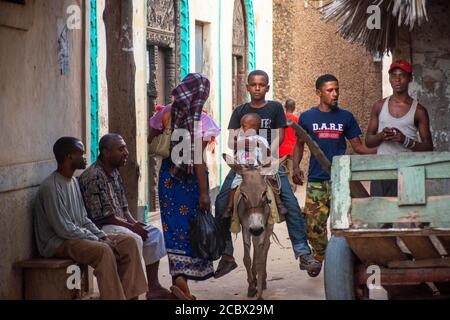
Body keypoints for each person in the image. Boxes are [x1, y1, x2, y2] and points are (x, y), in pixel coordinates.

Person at [214, 69, 317, 279]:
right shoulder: (239, 110)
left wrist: (269, 155)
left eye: (261, 85)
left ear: (267, 87)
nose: (257, 88)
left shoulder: (275, 108)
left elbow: (280, 135)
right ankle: (227, 254)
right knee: (221, 201)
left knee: (290, 203)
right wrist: (243, 145)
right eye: (253, 84)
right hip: (244, 166)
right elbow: (230, 140)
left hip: (268, 164)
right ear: (247, 87)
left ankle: (302, 251)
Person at [34, 137, 147, 300]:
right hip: (57, 242)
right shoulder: (51, 187)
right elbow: (64, 229)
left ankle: (131, 296)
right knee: (103, 251)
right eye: (81, 153)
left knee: (128, 243)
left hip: (75, 237)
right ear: (69, 157)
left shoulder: (73, 181)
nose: (85, 157)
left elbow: (83, 218)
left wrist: (103, 236)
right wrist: (98, 240)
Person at [292, 74, 376, 277]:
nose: (335, 94)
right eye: (330, 90)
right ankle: (321, 255)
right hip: (316, 180)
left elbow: (357, 146)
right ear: (319, 93)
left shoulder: (345, 117)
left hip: (340, 180)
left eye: (337, 89)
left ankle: (336, 262)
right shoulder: (307, 117)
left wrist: (383, 152)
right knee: (314, 225)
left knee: (342, 223)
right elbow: (299, 144)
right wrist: (295, 167)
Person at [148, 73, 220, 300]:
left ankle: (178, 282)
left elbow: (151, 138)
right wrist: (204, 192)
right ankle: (182, 284)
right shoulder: (201, 119)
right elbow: (198, 159)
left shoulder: (165, 113)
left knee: (173, 229)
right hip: (190, 183)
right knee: (192, 229)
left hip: (168, 180)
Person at [79, 134, 170, 300]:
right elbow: (104, 217)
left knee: (154, 234)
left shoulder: (114, 172)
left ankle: (153, 286)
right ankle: (131, 293)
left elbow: (124, 208)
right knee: (134, 238)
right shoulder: (93, 176)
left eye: (125, 148)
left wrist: (135, 223)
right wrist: (132, 228)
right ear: (106, 153)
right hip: (101, 227)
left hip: (117, 222)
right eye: (121, 149)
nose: (126, 153)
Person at [365, 60, 433, 197]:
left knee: (406, 215)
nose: (397, 80)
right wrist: (381, 136)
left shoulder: (419, 110)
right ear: (389, 79)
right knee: (380, 212)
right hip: (381, 169)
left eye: (402, 75)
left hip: (407, 169)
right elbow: (368, 141)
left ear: (410, 78)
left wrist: (404, 140)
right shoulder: (379, 106)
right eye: (393, 76)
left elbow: (428, 147)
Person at [224, 113, 288, 217]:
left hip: (259, 169)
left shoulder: (262, 140)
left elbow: (267, 154)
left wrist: (261, 145)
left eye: (244, 126)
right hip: (245, 170)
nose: (241, 128)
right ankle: (229, 206)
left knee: (272, 179)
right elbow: (232, 145)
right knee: (234, 185)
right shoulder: (240, 140)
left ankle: (279, 202)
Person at [278, 99, 299, 191]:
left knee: (281, 174)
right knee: (291, 174)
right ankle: (291, 195)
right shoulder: (296, 120)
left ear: (285, 107)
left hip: (280, 151)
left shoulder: (280, 119)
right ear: (294, 107)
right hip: (292, 151)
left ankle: (282, 193)